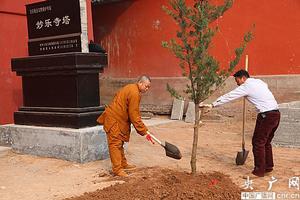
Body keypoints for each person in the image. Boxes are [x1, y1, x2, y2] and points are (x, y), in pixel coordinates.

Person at [207, 69, 280, 177]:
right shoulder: (259, 82)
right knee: (266, 142)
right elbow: (262, 89)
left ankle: (259, 171)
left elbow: (230, 96)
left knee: (258, 142)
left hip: (266, 116)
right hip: (276, 114)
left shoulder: (246, 86)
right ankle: (268, 166)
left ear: (243, 78)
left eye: (237, 81)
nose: (237, 84)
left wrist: (213, 104)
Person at [97, 75, 154, 177]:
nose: (147, 89)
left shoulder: (131, 88)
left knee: (120, 142)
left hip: (119, 119)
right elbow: (134, 114)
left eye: (148, 87)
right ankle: (117, 169)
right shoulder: (134, 93)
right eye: (146, 86)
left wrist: (143, 130)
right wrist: (143, 130)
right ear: (140, 83)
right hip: (114, 119)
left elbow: (131, 113)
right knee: (115, 144)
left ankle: (123, 163)